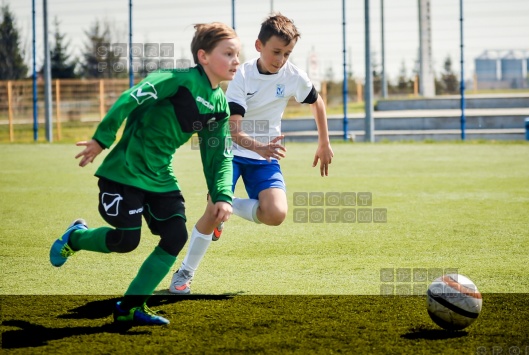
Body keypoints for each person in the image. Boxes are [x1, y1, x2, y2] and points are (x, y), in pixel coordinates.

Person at [49, 22, 240, 325]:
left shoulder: (219, 105)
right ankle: (76, 237)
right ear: (203, 56)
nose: (236, 60)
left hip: (160, 177)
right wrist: (102, 138)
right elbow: (131, 98)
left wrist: (222, 195)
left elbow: (219, 155)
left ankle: (130, 308)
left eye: (237, 54)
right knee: (127, 241)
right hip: (124, 171)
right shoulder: (177, 80)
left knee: (175, 235)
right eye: (228, 53)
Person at [169, 13, 334, 295]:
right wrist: (260, 147)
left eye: (287, 53)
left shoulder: (294, 76)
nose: (281, 59)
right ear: (259, 46)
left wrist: (324, 142)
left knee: (276, 213)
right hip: (230, 151)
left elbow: (316, 102)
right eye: (276, 52)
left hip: (263, 157)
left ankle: (227, 205)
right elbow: (233, 131)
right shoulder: (242, 75)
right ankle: (184, 272)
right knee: (213, 210)